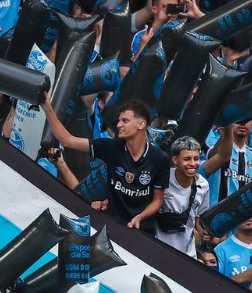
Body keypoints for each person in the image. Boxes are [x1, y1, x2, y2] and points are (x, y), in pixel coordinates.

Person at [42, 98, 168, 232]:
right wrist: (46, 106)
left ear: (141, 124)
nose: (119, 125)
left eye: (125, 120)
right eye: (119, 120)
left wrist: (140, 217)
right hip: (112, 225)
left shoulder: (160, 158)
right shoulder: (110, 147)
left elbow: (158, 200)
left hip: (141, 230)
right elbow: (67, 140)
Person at [155, 137, 210, 256]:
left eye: (196, 159)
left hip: (187, 254)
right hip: (158, 248)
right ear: (175, 160)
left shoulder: (203, 185)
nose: (193, 164)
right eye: (187, 159)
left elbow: (199, 219)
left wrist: (205, 233)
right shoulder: (163, 176)